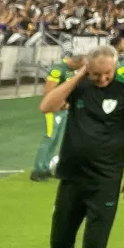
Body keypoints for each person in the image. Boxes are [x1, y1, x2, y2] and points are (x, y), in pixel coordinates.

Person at [41, 45, 124, 248]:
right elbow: (47, 106)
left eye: (108, 73)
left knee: (95, 245)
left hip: (105, 179)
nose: (103, 79)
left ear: (115, 66)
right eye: (96, 74)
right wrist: (79, 76)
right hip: (71, 176)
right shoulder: (79, 86)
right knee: (60, 243)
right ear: (88, 68)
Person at [31, 53, 86, 182]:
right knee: (49, 138)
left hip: (62, 110)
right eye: (81, 66)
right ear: (76, 62)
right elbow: (48, 91)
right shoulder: (58, 69)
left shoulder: (69, 71)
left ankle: (46, 168)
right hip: (53, 110)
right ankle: (38, 170)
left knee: (55, 140)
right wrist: (61, 103)